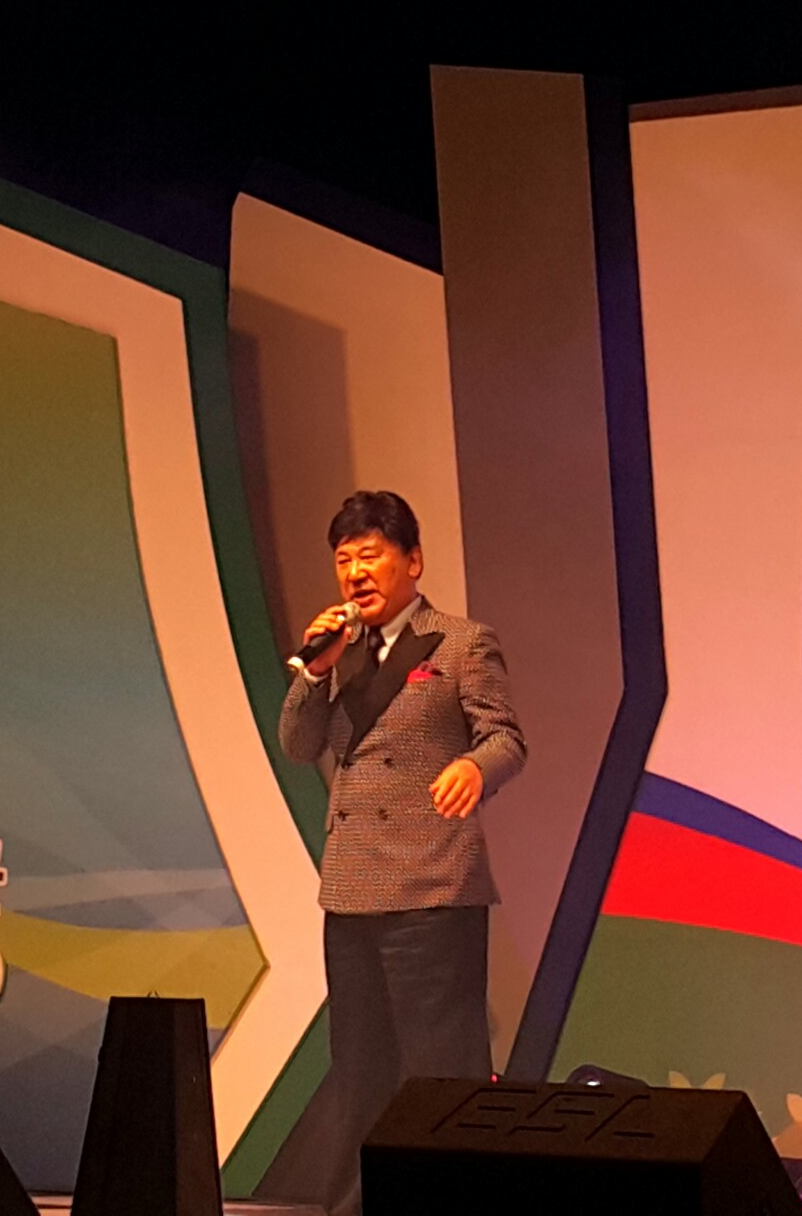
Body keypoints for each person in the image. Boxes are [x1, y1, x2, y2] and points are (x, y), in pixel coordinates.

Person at [274, 490, 524, 1216]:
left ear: (412, 561)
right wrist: (314, 672)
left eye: (370, 555)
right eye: (344, 560)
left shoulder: (461, 643)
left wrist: (474, 767)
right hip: (352, 889)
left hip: (431, 884)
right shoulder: (339, 650)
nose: (355, 572)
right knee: (360, 1074)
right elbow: (299, 745)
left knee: (441, 1074)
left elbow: (506, 738)